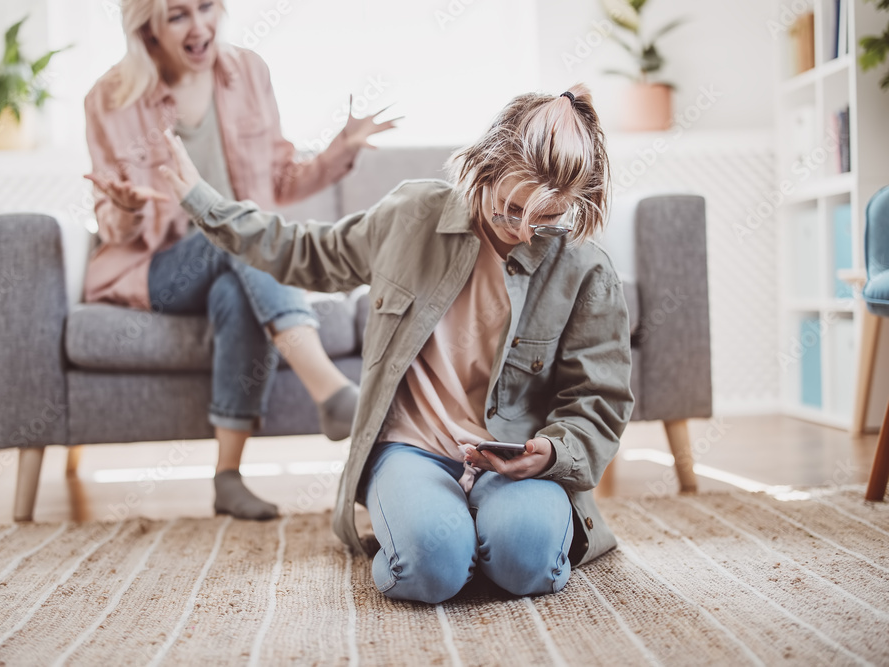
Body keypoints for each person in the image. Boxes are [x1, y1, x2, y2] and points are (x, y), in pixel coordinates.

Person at [158, 85, 634, 603]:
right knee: (430, 571)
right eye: (509, 208)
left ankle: (479, 536)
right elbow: (303, 252)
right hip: (415, 449)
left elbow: (598, 400)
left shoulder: (585, 268)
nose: (522, 231)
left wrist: (549, 454)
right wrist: (200, 200)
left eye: (546, 218)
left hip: (515, 460)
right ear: (485, 167)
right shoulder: (412, 214)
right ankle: (451, 539)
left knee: (529, 564)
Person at [82, 0, 398, 521]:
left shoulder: (248, 72)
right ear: (149, 28)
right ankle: (334, 394)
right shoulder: (110, 97)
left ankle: (226, 478)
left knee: (238, 263)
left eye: (207, 6)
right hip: (159, 268)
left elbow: (281, 179)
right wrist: (123, 208)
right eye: (178, 14)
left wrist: (341, 148)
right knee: (237, 229)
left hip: (239, 266)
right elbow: (114, 223)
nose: (200, 24)